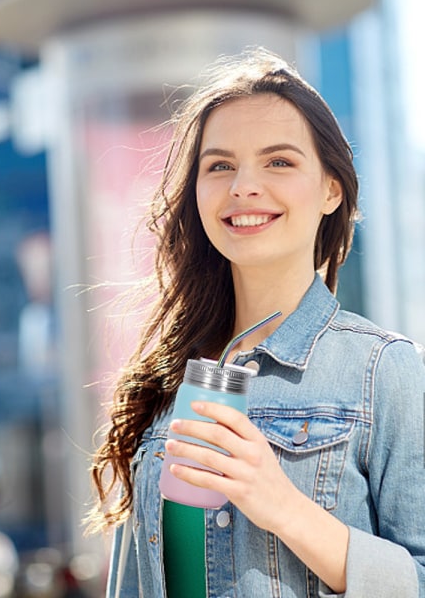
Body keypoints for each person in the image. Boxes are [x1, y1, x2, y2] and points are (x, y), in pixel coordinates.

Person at [87, 47, 425, 597]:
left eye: (279, 162)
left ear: (331, 189)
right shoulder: (170, 377)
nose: (243, 185)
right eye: (219, 165)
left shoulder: (384, 370)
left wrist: (282, 505)